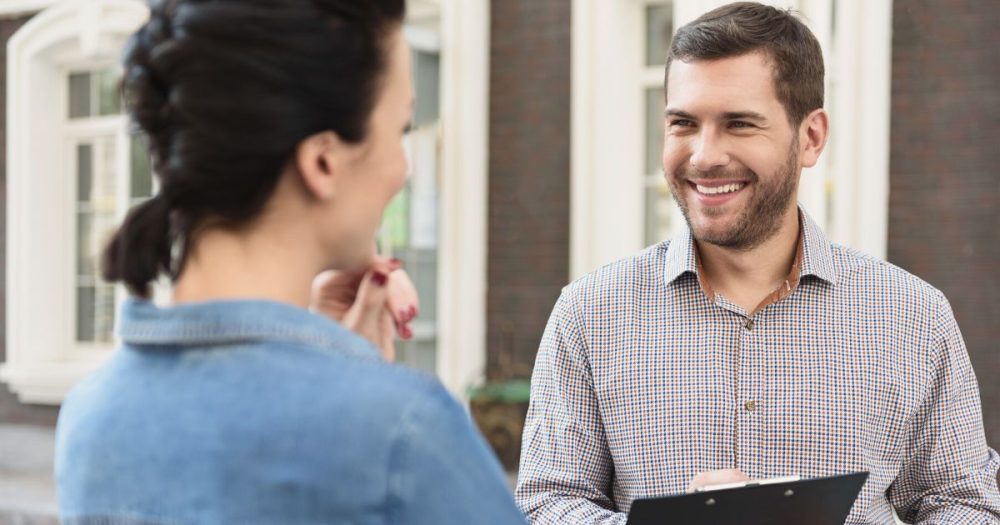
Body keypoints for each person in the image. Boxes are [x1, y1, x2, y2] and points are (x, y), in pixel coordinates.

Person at [515, 2, 1000, 524]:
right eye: (683, 123)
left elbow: (965, 504)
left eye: (739, 124)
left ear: (810, 137)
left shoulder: (914, 317)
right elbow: (548, 503)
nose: (703, 155)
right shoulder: (590, 314)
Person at [54, 1, 526, 524]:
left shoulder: (91, 414)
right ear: (322, 161)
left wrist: (329, 360)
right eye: (401, 130)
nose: (403, 168)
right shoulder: (402, 431)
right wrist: (355, 388)